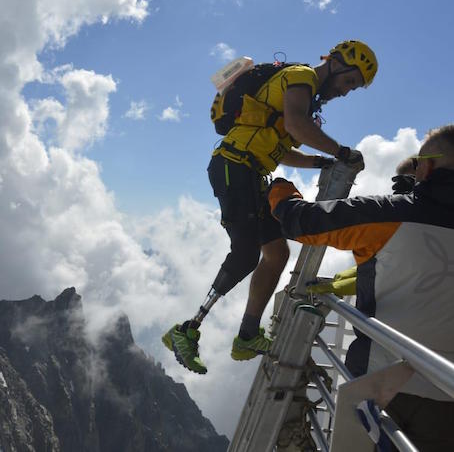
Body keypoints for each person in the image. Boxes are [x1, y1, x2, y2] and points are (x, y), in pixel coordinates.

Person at [162, 40, 378, 374]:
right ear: (336, 64)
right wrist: (341, 152)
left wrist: (318, 162)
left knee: (276, 254)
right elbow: (295, 126)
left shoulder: (303, 95)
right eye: (350, 81)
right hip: (234, 167)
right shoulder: (302, 77)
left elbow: (281, 148)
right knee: (247, 252)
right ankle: (186, 330)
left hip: (249, 172)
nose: (347, 91)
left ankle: (247, 335)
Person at [268, 125, 454, 451]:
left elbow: (306, 222)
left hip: (386, 385)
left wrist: (280, 193)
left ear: (427, 167)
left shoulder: (390, 215)